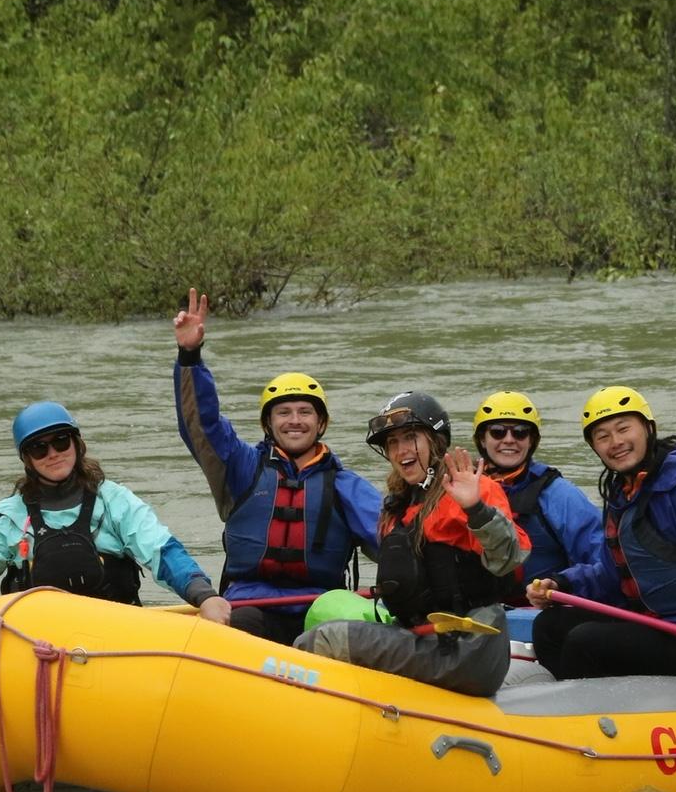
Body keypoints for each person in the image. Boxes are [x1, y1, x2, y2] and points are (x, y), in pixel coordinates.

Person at [172, 289, 382, 645]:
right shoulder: (241, 469)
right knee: (244, 624)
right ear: (268, 424)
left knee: (342, 631)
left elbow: (392, 540)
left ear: (321, 423)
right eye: (284, 413)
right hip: (251, 608)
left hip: (321, 612)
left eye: (305, 412)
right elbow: (201, 425)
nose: (294, 421)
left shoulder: (345, 485)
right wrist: (190, 356)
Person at [293, 392, 530, 697]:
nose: (401, 450)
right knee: (328, 615)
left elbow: (509, 558)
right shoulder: (399, 506)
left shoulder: (470, 489)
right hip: (426, 640)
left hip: (468, 649)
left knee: (325, 640)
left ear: (435, 441)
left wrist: (476, 510)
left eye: (410, 437)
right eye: (392, 442)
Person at [526, 386, 676, 681]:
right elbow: (613, 575)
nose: (615, 442)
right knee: (550, 626)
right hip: (657, 623)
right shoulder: (624, 491)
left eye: (623, 428)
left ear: (648, 429)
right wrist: (562, 583)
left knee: (585, 642)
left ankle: (597, 719)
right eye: (602, 436)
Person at [0, 401, 231, 621]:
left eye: (61, 441)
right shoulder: (5, 518)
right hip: (37, 643)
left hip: (118, 635)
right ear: (27, 458)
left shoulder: (115, 502)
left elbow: (161, 552)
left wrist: (203, 595)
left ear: (77, 443)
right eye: (39, 447)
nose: (53, 453)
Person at [472, 390, 603, 599]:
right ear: (482, 439)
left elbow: (600, 561)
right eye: (497, 432)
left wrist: (561, 583)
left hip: (537, 610)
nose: (509, 439)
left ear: (532, 440)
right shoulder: (462, 488)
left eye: (520, 432)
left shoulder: (560, 495)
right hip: (475, 610)